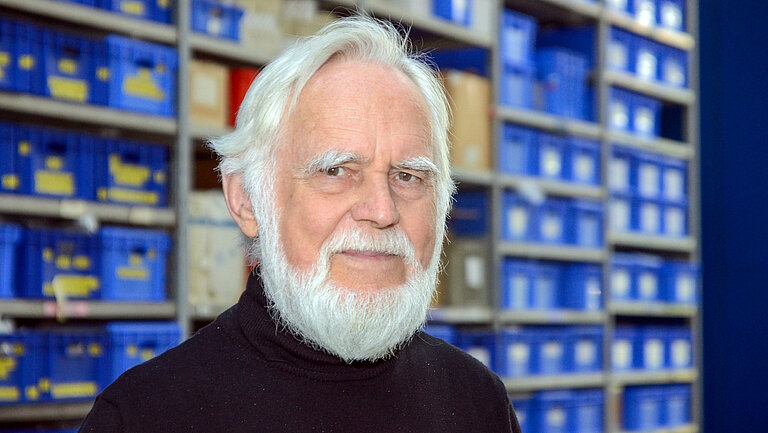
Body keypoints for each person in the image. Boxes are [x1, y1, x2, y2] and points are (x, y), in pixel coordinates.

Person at [79, 15, 521, 433]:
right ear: (247, 200)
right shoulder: (145, 416)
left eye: (408, 176)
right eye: (336, 171)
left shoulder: (477, 403)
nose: (382, 210)